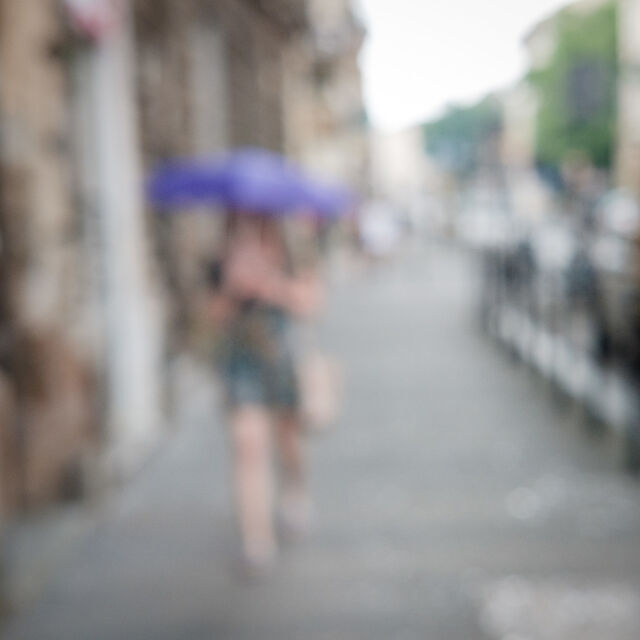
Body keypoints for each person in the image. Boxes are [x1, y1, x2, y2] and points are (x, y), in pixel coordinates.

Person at [208, 211, 322, 573]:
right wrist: (232, 289)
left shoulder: (292, 244)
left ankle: (294, 490)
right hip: (241, 360)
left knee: (287, 438)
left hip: (283, 355)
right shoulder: (222, 249)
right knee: (248, 444)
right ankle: (256, 540)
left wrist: (268, 284)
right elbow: (211, 316)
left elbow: (311, 303)